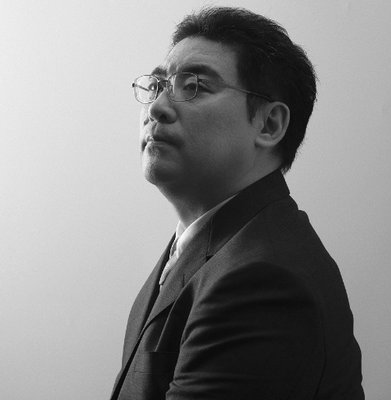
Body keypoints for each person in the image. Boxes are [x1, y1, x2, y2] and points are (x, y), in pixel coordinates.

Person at [110, 6, 364, 400]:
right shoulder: (207, 247)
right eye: (157, 85)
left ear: (269, 125)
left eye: (194, 85)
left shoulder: (263, 281)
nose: (157, 107)